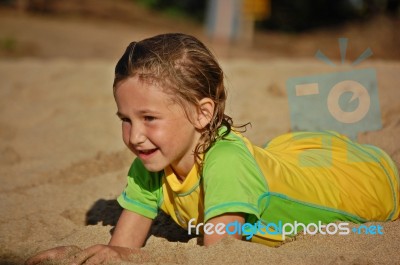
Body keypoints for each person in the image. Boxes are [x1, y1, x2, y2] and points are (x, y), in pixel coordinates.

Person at [26, 33, 399, 265]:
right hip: (287, 159)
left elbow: (218, 254)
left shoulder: (225, 164)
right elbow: (124, 246)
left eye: (149, 118)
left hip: (363, 185)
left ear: (202, 113)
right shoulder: (150, 161)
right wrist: (86, 253)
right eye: (125, 119)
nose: (135, 136)